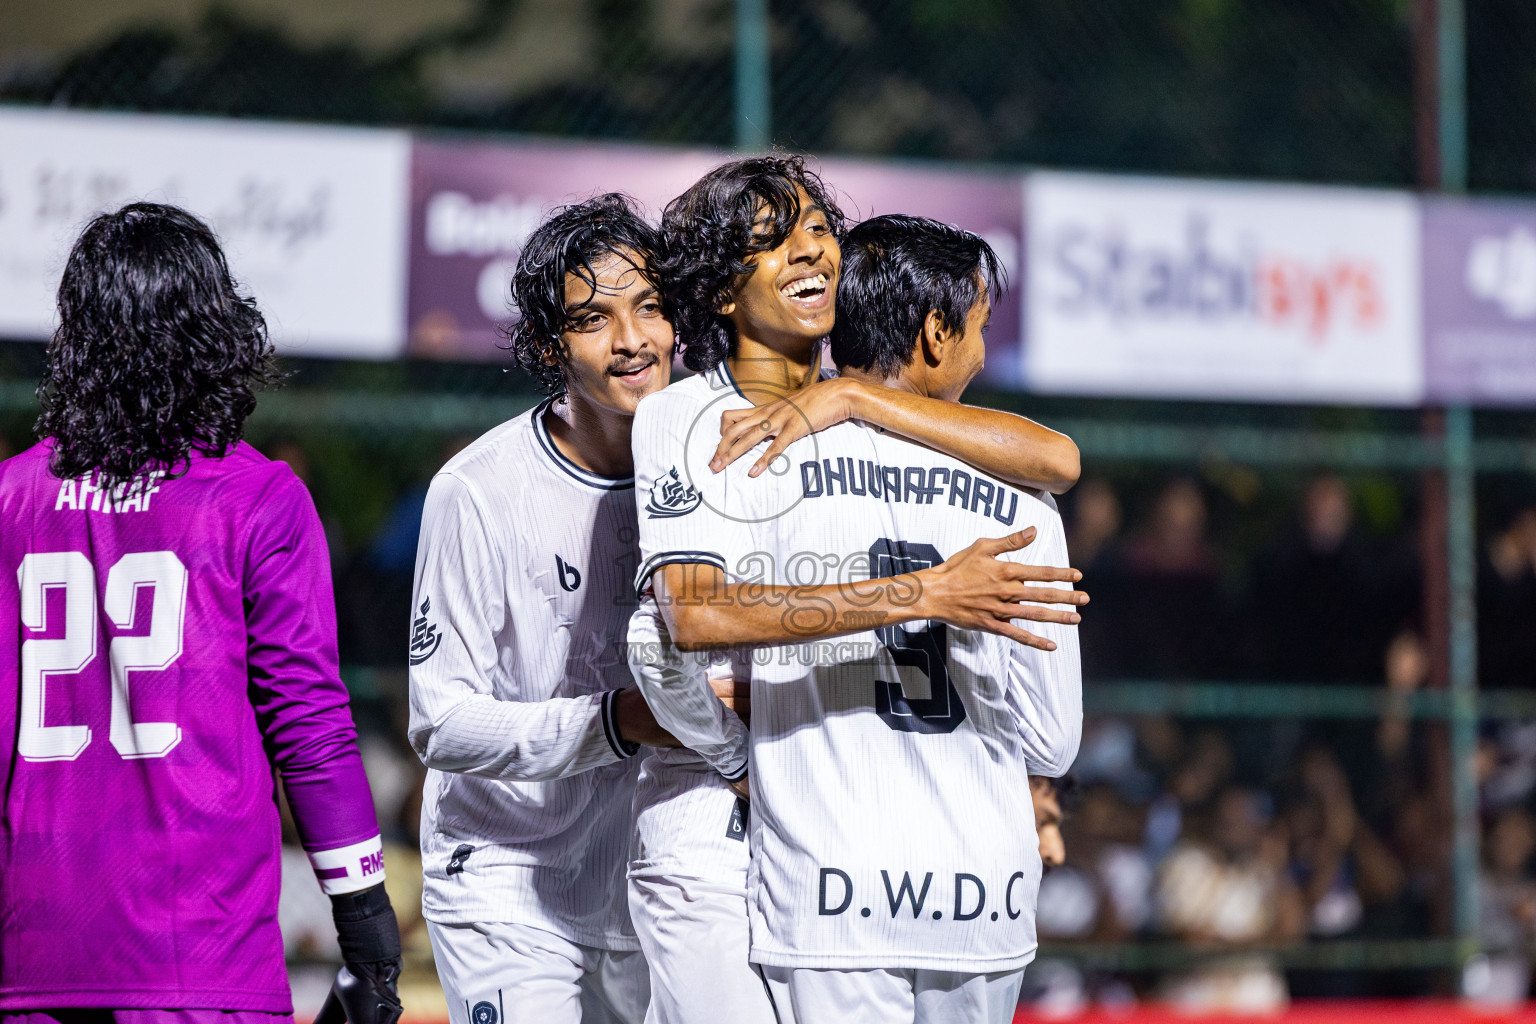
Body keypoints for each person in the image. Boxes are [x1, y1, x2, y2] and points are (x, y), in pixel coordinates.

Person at [626, 162, 1085, 1024]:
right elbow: (687, 620)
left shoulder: (859, 422)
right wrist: (928, 593)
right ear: (721, 292)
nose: (810, 250)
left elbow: (1059, 456)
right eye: (773, 240)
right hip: (719, 818)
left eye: (818, 229)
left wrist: (845, 397)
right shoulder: (698, 420)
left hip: (828, 853)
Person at [0, 204, 402, 1023]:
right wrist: (366, 925)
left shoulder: (10, 497)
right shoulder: (256, 498)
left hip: (32, 939)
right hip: (198, 949)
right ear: (215, 332)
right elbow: (311, 725)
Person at [406, 195, 681, 1024]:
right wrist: (618, 721)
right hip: (502, 883)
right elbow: (439, 723)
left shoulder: (709, 471)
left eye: (650, 306)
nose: (632, 340)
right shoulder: (477, 490)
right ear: (547, 346)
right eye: (595, 318)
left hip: (646, 888)